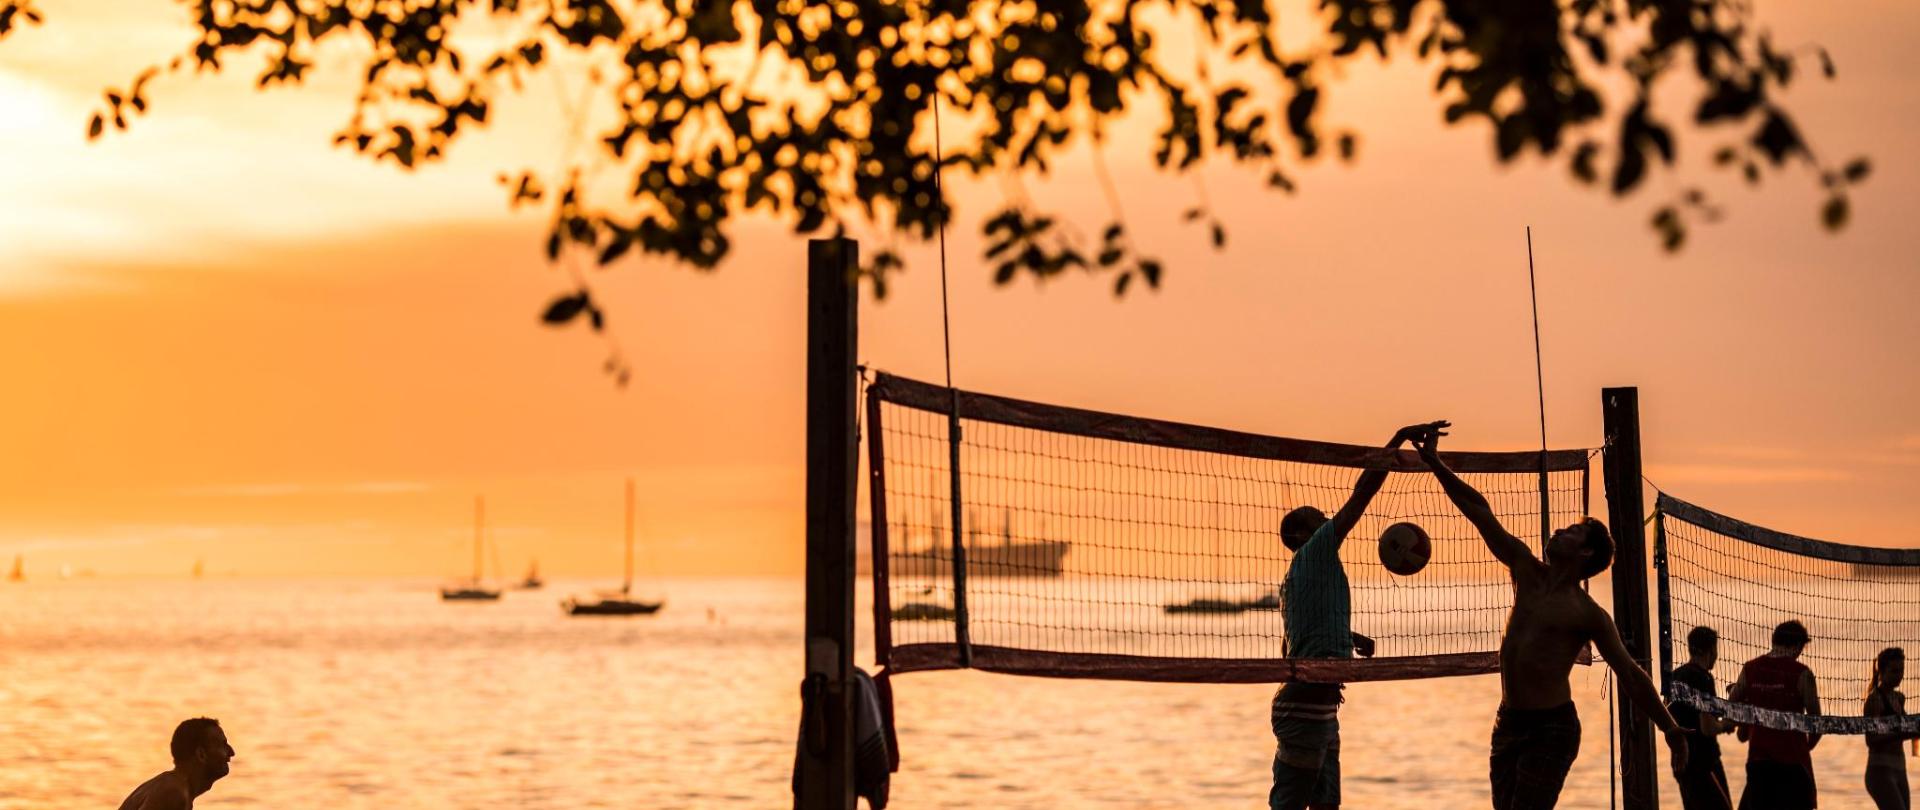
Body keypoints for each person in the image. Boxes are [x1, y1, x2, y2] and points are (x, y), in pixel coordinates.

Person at [1411, 425, 1687, 810]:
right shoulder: (1525, 569)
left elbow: (1629, 672)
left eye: (1571, 531)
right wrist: (1435, 464)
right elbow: (1479, 512)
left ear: (1585, 554)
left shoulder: (1587, 614)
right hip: (1508, 722)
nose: (1558, 530)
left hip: (1552, 729)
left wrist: (1669, 728)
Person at [1268, 421, 1444, 810]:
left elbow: (1296, 641)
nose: (1326, 519)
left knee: (1327, 805)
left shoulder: (1300, 578)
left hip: (1318, 702)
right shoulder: (1315, 551)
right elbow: (1362, 493)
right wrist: (1397, 440)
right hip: (1307, 702)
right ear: (1302, 535)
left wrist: (1348, 637)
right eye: (1317, 519)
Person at [1730, 620, 1821, 810]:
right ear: (1797, 646)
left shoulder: (1750, 668)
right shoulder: (1802, 673)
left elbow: (1731, 707)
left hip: (1759, 763)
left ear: (1774, 640)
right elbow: (1816, 723)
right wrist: (1805, 747)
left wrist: (1745, 727)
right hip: (1793, 764)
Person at [1670, 626, 1738, 810]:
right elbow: (1707, 728)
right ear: (1711, 650)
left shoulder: (1675, 676)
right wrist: (1725, 725)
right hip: (1704, 763)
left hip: (1681, 762)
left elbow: (1672, 716)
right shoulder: (1703, 678)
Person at [117, 717, 235, 810]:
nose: (231, 752)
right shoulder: (174, 792)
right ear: (201, 754)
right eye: (223, 745)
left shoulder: (174, 787)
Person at [1864, 647, 1916, 810]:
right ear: (1882, 671)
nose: (1899, 675)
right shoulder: (1874, 700)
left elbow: (1908, 728)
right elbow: (1871, 740)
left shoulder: (1899, 698)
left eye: (1901, 670)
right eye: (1894, 671)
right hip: (1879, 770)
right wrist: (1901, 735)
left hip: (1900, 768)